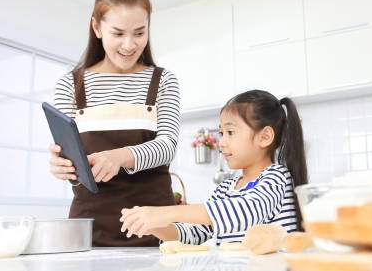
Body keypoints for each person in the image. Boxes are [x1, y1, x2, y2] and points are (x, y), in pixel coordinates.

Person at [48, 0, 180, 247]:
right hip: (90, 225)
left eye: (139, 33)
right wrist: (61, 164)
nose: (129, 45)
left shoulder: (162, 80)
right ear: (96, 28)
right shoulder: (70, 85)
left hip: (154, 224)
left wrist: (119, 157)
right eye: (118, 33)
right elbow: (69, 154)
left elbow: (167, 147)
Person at [119, 89, 308, 244]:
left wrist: (165, 213)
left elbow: (244, 210)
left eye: (230, 132)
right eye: (221, 132)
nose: (222, 142)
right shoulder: (227, 188)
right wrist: (156, 226)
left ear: (265, 136)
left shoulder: (277, 177)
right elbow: (195, 234)